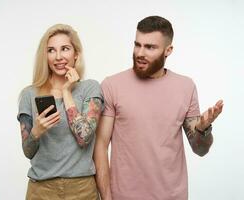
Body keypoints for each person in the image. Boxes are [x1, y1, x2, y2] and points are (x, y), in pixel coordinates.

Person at [94, 16, 224, 200]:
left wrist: (203, 129)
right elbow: (100, 146)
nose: (140, 53)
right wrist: (106, 197)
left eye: (150, 47)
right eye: (137, 44)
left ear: (168, 50)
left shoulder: (185, 87)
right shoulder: (112, 85)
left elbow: (200, 150)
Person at [17, 24, 103, 200]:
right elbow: (28, 151)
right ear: (45, 56)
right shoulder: (29, 94)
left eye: (65, 49)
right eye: (51, 50)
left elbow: (84, 137)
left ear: (76, 54)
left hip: (81, 189)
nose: (58, 57)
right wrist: (36, 132)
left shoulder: (90, 88)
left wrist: (66, 92)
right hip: (41, 190)